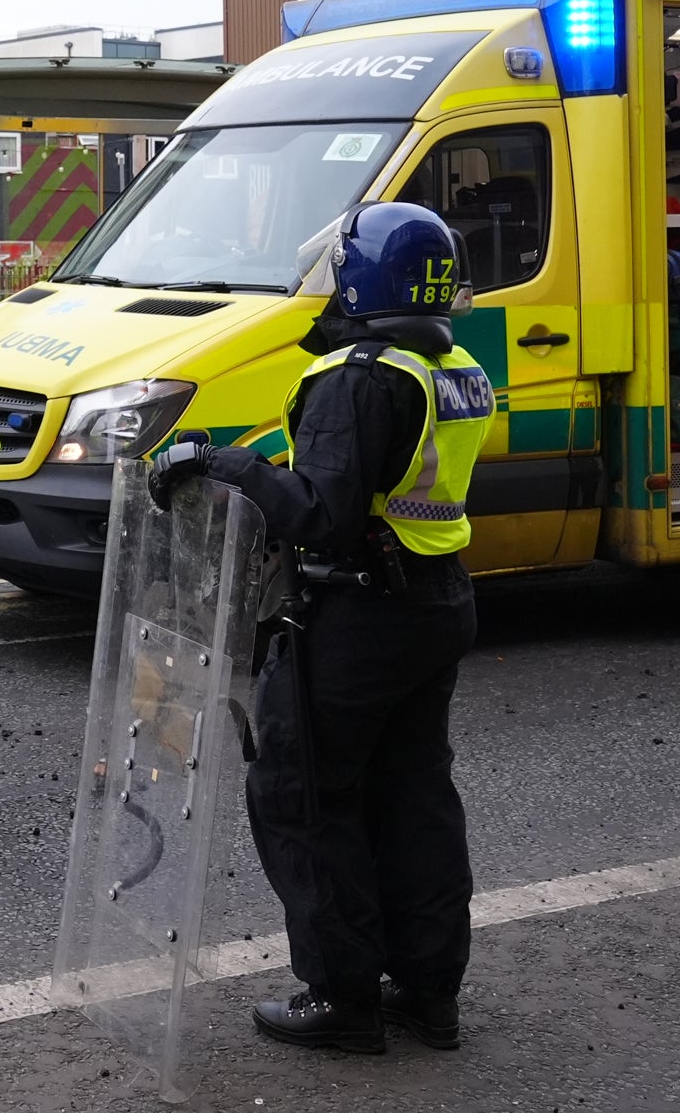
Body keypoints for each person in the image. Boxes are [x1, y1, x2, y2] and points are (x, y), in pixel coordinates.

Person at [147, 199, 488, 1056]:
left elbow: (323, 513)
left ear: (362, 278)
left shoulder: (360, 373)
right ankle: (426, 991)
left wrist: (219, 461)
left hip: (363, 612)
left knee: (302, 793)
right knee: (413, 794)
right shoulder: (451, 368)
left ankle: (343, 995)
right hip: (434, 598)